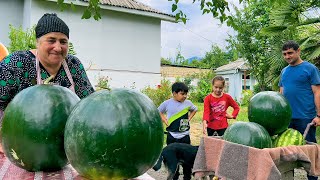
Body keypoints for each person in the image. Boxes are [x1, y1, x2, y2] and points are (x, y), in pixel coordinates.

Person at [0, 13, 94, 121]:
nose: (58, 48)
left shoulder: (73, 64)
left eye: (63, 42)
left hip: (66, 135)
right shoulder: (16, 63)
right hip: (19, 134)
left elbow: (89, 104)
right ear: (37, 42)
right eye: (51, 40)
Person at [279, 40, 320, 180]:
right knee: (287, 153)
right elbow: (281, 95)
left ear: (298, 51)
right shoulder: (284, 71)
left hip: (305, 118)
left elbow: (317, 93)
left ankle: (312, 178)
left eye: (290, 53)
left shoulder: (310, 69)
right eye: (284, 54)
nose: (287, 56)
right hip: (287, 119)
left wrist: (319, 115)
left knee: (308, 155)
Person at [158, 82, 197, 180]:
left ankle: (187, 177)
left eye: (186, 94)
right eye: (182, 94)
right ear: (174, 93)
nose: (185, 96)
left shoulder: (188, 103)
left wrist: (189, 118)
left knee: (187, 162)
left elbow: (195, 109)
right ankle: (174, 177)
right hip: (172, 136)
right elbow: (158, 111)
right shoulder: (167, 103)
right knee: (173, 161)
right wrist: (164, 119)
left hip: (185, 136)